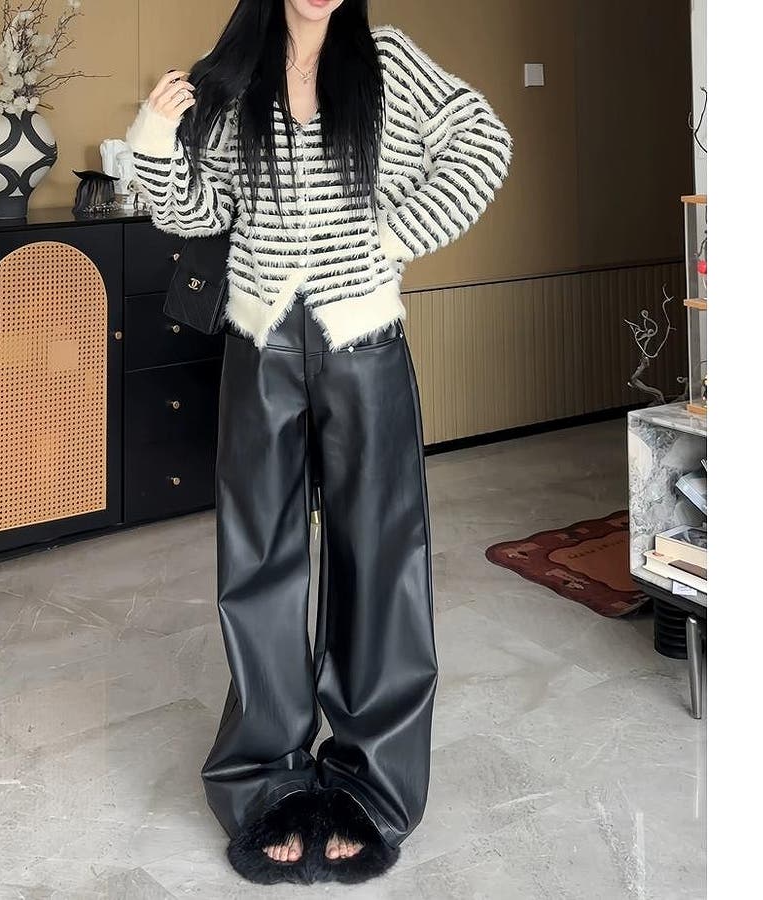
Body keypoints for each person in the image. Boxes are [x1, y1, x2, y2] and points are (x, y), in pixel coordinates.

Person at [125, 0, 512, 885]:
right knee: (257, 562)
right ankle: (265, 781)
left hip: (363, 346)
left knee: (381, 560)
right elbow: (196, 211)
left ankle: (371, 788)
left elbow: (484, 144)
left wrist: (389, 238)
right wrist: (153, 137)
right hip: (259, 345)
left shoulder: (388, 61)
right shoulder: (235, 72)